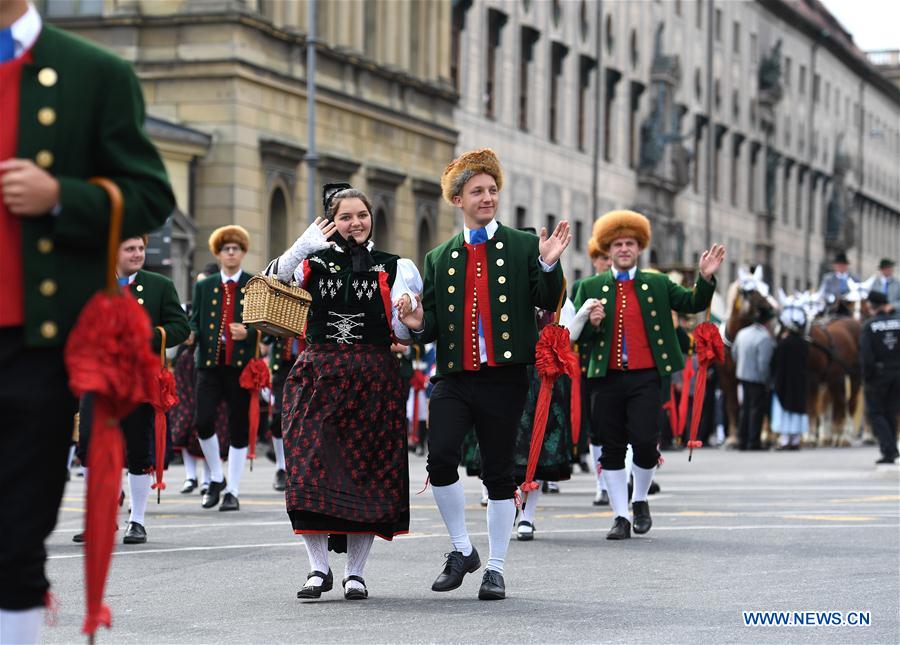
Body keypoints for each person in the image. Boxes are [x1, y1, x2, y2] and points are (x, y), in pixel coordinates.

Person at [0, 1, 174, 640]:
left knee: (15, 539)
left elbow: (151, 193)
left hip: (34, 349)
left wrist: (61, 198)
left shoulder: (90, 72)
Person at [400, 148, 570, 600]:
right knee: (440, 460)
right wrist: (416, 320)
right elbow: (432, 324)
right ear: (458, 199)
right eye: (478, 191)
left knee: (498, 473)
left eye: (493, 190)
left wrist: (549, 263)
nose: (488, 197)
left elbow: (547, 299)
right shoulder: (439, 257)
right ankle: (462, 549)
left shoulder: (522, 244)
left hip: (504, 375)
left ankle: (495, 566)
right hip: (455, 376)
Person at [264, 183, 420, 601]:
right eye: (346, 217)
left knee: (365, 474)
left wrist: (410, 316)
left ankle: (355, 572)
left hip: (373, 379)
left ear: (371, 219)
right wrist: (301, 247)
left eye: (362, 215)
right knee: (308, 468)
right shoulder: (311, 263)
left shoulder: (395, 266)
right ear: (332, 221)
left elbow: (405, 333)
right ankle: (317, 569)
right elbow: (267, 284)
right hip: (318, 376)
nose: (355, 223)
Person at [571, 210, 723, 540]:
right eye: (617, 244)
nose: (624, 249)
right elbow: (574, 337)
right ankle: (620, 515)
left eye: (630, 243)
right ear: (607, 250)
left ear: (639, 248)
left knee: (643, 442)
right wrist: (592, 323)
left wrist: (706, 278)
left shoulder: (657, 283)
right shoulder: (589, 287)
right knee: (610, 447)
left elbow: (692, 301)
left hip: (647, 377)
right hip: (604, 377)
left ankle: (639, 500)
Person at [73, 236, 189, 545]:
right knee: (88, 450)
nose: (138, 254)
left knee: (138, 451)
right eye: (130, 249)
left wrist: (147, 335)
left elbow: (181, 327)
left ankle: (136, 520)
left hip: (138, 382)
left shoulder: (158, 285)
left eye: (140, 248)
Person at [188, 225, 257, 511]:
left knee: (238, 426)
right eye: (226, 248)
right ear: (218, 253)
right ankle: (216, 476)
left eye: (236, 248)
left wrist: (249, 333)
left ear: (242, 253)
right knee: (202, 421)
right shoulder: (205, 285)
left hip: (239, 366)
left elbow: (262, 322)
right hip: (209, 364)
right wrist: (190, 332)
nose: (231, 253)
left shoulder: (253, 284)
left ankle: (233, 490)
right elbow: (194, 319)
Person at [514, 300, 575, 541]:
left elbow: (571, 337)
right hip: (510, 371)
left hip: (545, 378)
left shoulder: (561, 300)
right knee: (504, 444)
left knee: (538, 449)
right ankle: (507, 503)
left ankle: (527, 516)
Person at [572, 238, 612, 505]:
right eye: (603, 258)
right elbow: (573, 328)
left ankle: (622, 477)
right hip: (588, 366)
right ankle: (602, 483)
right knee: (595, 427)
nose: (608, 263)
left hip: (616, 367)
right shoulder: (583, 287)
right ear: (595, 260)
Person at [859, 290, 899, 465]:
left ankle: (888, 449)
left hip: (878, 375)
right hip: (897, 374)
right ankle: (892, 449)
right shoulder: (898, 323)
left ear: (871, 306)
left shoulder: (869, 326)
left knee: (876, 413)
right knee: (891, 411)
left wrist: (867, 376)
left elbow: (866, 356)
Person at [732, 307, 776, 451]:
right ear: (767, 322)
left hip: (742, 375)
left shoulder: (742, 333)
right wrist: (767, 380)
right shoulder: (764, 337)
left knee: (745, 408)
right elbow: (763, 363)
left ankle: (742, 440)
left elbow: (734, 353)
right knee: (756, 410)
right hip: (757, 378)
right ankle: (753, 441)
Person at [771, 308, 809, 451]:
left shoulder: (782, 345)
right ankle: (795, 439)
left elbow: (774, 364)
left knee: (784, 411)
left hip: (783, 382)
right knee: (797, 410)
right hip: (799, 382)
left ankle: (785, 439)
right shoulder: (804, 344)